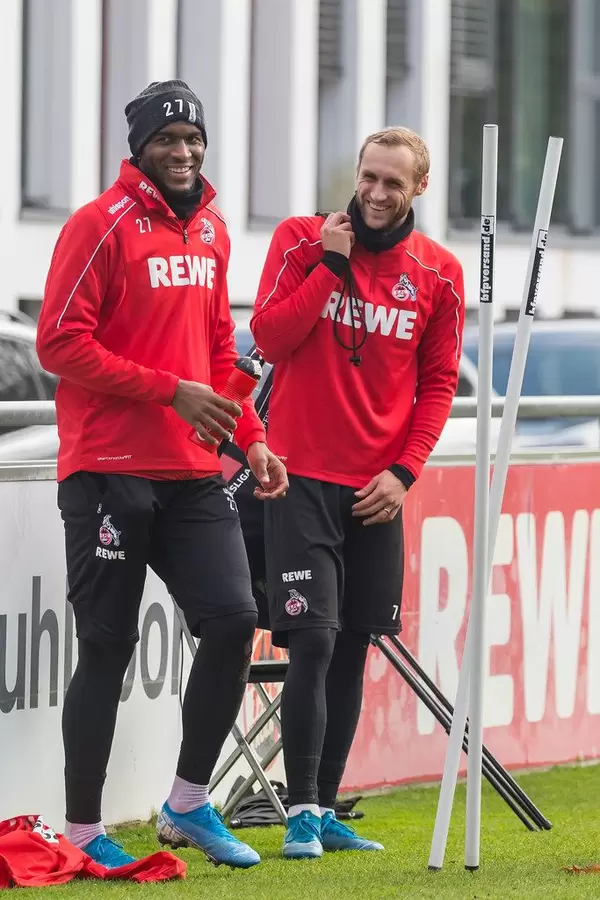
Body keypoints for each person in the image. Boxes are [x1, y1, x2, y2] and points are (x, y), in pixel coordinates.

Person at [36, 80, 287, 871]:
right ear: (140, 146)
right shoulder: (97, 224)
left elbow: (220, 351)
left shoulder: (212, 230)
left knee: (232, 618)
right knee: (105, 648)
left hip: (189, 473)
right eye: (167, 141)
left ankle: (185, 802)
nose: (182, 152)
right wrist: (165, 388)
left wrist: (251, 438)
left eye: (193, 139)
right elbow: (57, 345)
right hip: (107, 471)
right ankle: (82, 832)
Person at [250, 126, 465, 859]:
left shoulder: (438, 274)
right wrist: (329, 268)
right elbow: (271, 339)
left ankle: (325, 804)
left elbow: (438, 384)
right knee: (310, 641)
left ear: (418, 191)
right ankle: (300, 811)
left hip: (376, 490)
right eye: (368, 177)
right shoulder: (301, 238)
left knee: (352, 647)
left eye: (391, 183)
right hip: (297, 477)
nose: (374, 193)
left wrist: (404, 473)